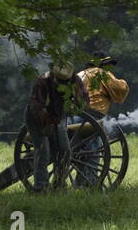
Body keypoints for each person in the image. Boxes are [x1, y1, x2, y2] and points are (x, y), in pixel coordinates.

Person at [68, 55, 130, 186]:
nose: (110, 68)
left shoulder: (79, 74)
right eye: (108, 64)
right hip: (92, 119)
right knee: (93, 153)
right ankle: (89, 183)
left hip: (73, 119)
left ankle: (80, 182)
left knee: (80, 154)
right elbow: (120, 90)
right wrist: (124, 82)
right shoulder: (101, 74)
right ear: (101, 64)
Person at [26, 64, 89, 192]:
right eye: (61, 81)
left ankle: (59, 185)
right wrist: (48, 124)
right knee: (43, 152)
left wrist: (76, 105)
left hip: (58, 117)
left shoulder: (75, 80)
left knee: (65, 151)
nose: (64, 83)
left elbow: (85, 100)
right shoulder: (43, 82)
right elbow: (35, 107)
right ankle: (40, 188)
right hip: (38, 118)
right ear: (55, 76)